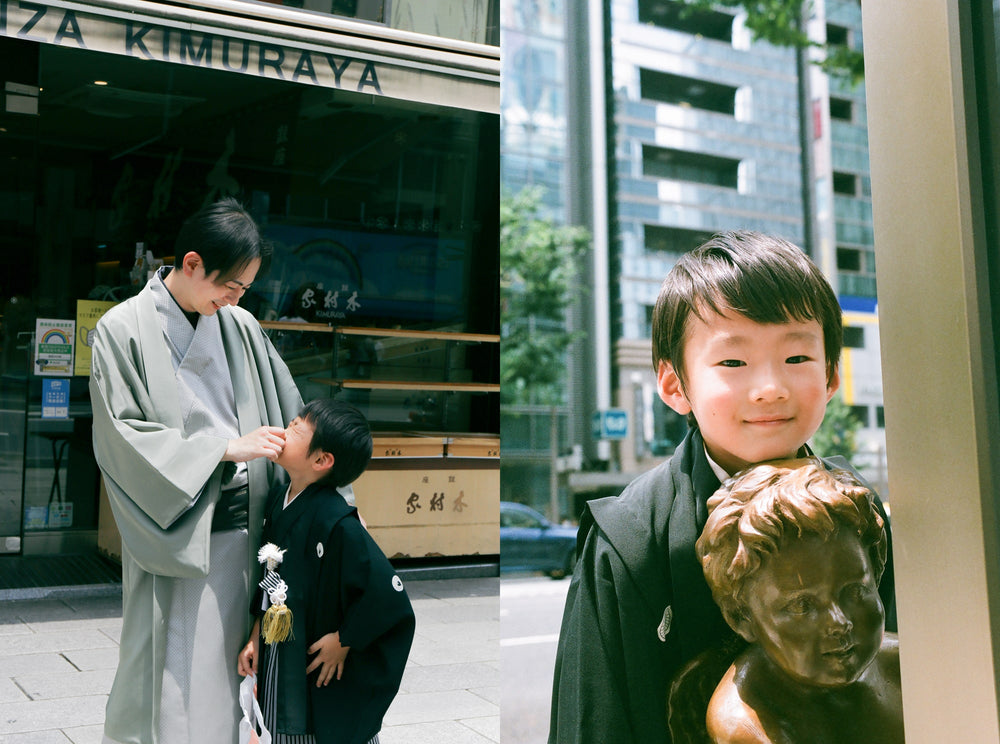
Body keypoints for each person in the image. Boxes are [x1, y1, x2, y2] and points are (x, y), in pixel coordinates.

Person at [548, 230, 896, 744]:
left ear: (829, 375)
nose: (771, 386)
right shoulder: (629, 539)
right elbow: (594, 722)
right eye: (733, 362)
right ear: (674, 384)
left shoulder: (854, 506)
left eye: (796, 358)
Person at [90, 197, 303, 744]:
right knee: (171, 675)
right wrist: (224, 449)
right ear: (189, 263)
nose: (234, 299)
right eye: (228, 286)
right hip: (179, 526)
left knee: (231, 676)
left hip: (243, 533)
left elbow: (287, 410)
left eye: (243, 290)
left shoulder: (242, 325)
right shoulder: (122, 328)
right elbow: (122, 436)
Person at [237, 399, 415, 744]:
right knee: (279, 718)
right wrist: (256, 632)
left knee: (318, 726)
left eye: (296, 428)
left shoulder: (338, 522)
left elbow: (387, 596)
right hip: (281, 644)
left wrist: (345, 639)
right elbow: (269, 573)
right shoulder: (278, 500)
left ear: (321, 460)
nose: (285, 430)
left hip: (315, 651)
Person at [693, 459, 902, 744]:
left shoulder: (910, 664)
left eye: (854, 591)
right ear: (741, 617)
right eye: (802, 606)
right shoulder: (750, 729)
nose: (839, 622)